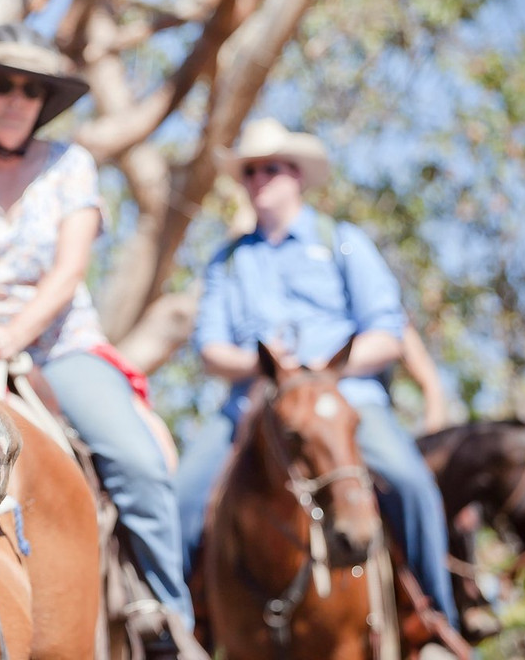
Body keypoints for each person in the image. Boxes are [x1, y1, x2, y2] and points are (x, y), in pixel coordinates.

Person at [0, 22, 197, 650]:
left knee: (139, 463)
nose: (17, 99)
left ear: (44, 103)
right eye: (3, 84)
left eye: (32, 90)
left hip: (61, 345)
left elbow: (68, 275)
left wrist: (15, 334)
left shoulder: (71, 165)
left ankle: (166, 617)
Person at [175, 117, 459, 630]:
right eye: (252, 171)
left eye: (273, 169)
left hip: (343, 398)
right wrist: (267, 368)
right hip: (254, 403)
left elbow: (386, 331)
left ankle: (437, 619)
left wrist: (322, 369)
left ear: (298, 177)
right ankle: (176, 624)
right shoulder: (228, 261)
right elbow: (210, 350)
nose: (261, 179)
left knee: (409, 481)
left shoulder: (343, 241)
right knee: (182, 497)